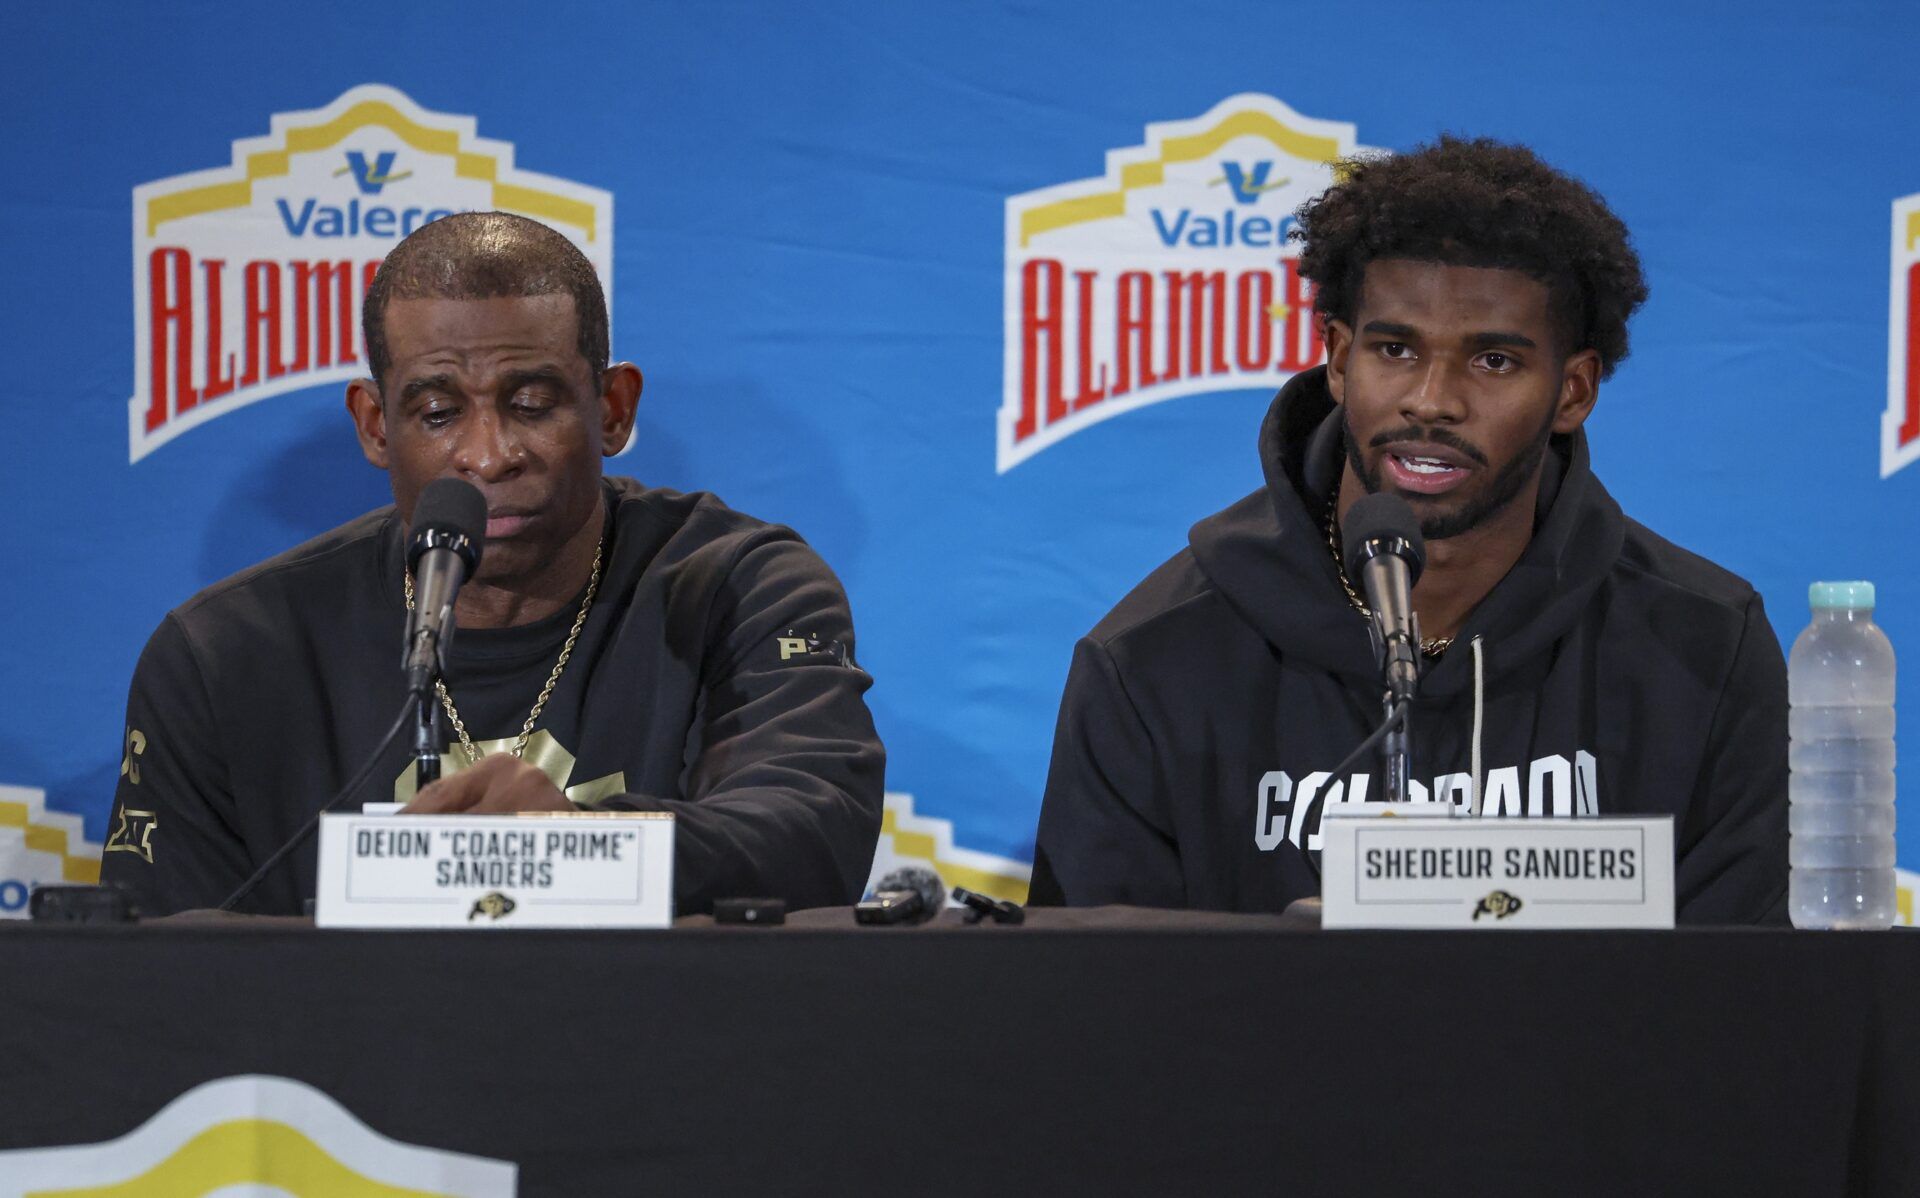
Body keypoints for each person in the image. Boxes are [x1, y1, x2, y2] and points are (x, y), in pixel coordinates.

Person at [1030, 137, 1787, 924]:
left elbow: (1746, 1005)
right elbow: (1096, 1009)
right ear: (1336, 356)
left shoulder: (1702, 647)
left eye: (1493, 361)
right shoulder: (1154, 660)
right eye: (1395, 349)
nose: (1431, 400)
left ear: (1573, 391)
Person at [102, 212, 884, 916]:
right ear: (376, 426)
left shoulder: (739, 587)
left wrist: (572, 847)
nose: (488, 454)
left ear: (612, 410)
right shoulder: (226, 653)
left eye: (533, 402)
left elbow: (814, 832)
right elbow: (159, 969)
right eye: (438, 413)